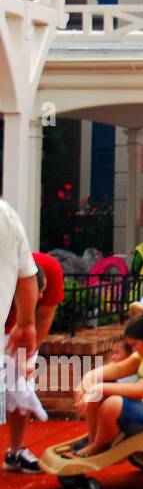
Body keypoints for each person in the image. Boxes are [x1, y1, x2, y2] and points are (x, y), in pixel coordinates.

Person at [71, 313, 143, 457]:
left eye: (134, 345)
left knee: (112, 404)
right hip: (138, 406)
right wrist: (89, 379)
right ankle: (93, 441)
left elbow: (142, 390)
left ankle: (98, 447)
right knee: (97, 397)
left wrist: (99, 388)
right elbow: (118, 368)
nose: (133, 350)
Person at [4, 253, 62, 473]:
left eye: (42, 290)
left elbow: (46, 314)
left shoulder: (50, 268)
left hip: (23, 330)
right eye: (35, 292)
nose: (40, 296)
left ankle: (16, 452)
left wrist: (29, 354)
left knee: (20, 389)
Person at [0, 198, 38, 472]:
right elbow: (27, 278)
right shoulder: (6, 215)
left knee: (19, 386)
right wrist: (26, 323)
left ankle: (17, 448)